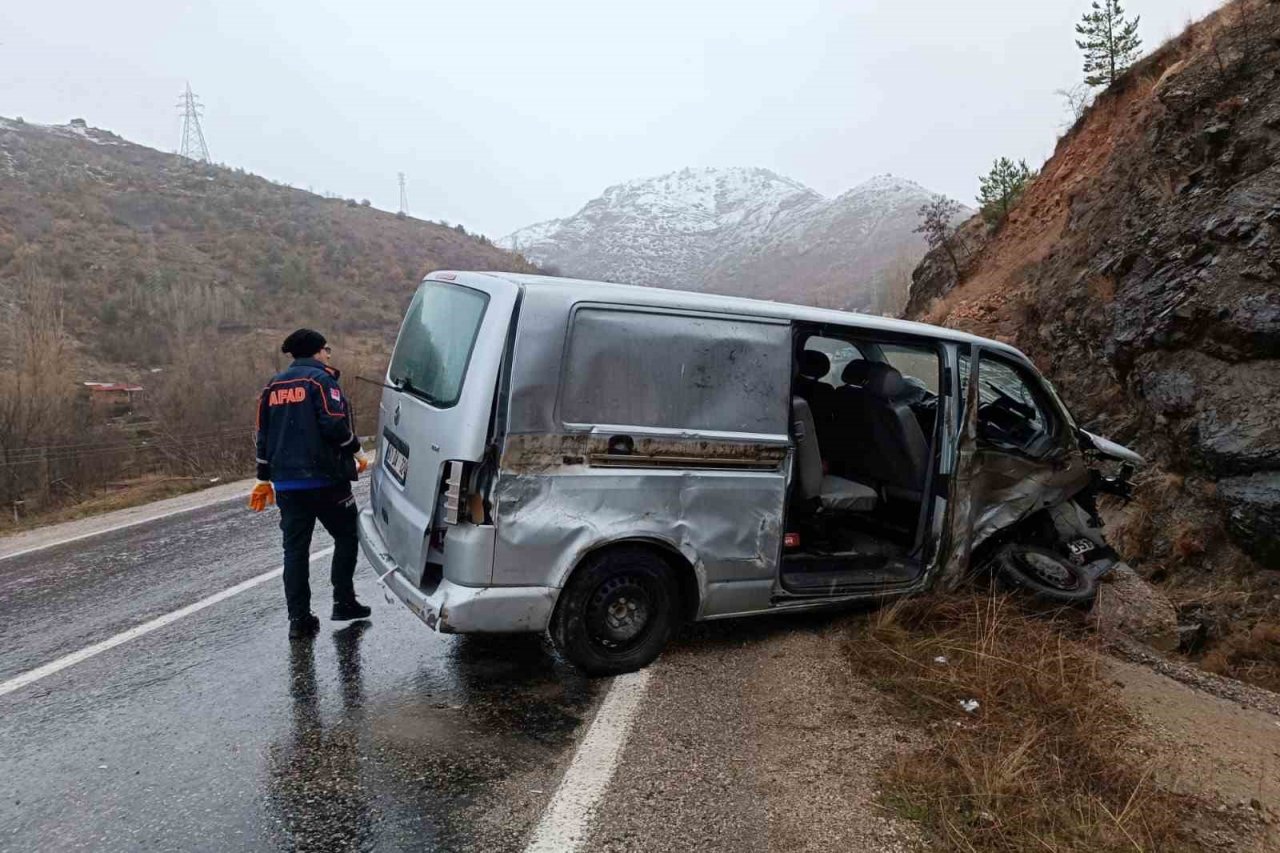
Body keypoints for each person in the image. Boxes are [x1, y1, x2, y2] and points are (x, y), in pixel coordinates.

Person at [250, 328, 372, 638]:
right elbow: (333, 424)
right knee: (346, 536)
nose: (329, 354)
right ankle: (344, 601)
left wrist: (263, 479)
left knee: (294, 552)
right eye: (326, 349)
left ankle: (299, 621)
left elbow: (263, 435)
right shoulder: (321, 381)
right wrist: (357, 451)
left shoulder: (272, 387)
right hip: (325, 479)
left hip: (288, 485)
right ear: (317, 352)